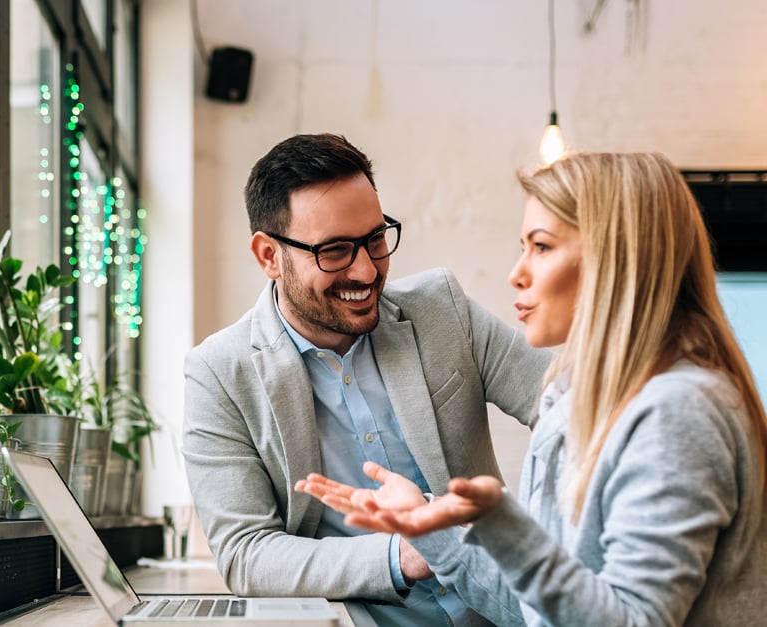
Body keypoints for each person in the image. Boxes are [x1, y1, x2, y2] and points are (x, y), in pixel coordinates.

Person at [297, 152, 767, 626]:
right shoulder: (573, 398)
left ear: (617, 259)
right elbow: (534, 612)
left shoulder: (675, 414)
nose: (516, 273)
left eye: (541, 247)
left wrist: (508, 527)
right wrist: (430, 527)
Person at [181, 133, 553, 627]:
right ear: (269, 255)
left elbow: (574, 409)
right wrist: (407, 552)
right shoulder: (218, 374)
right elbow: (247, 554)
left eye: (375, 239)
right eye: (334, 251)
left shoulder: (442, 310)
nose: (365, 270)